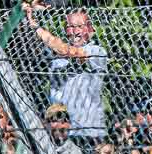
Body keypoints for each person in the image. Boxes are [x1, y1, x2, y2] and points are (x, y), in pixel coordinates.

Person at [28, 3, 109, 140]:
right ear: (66, 30)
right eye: (71, 26)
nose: (75, 31)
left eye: (80, 26)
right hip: (60, 133)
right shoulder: (54, 58)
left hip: (88, 133)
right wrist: (29, 12)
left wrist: (37, 28)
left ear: (90, 29)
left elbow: (71, 52)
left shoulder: (96, 51)